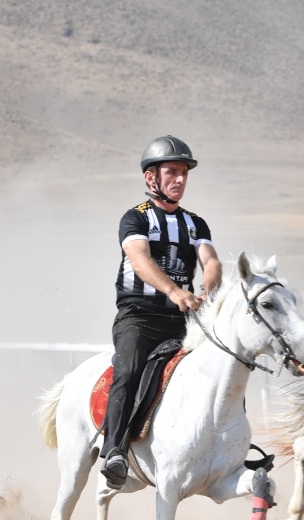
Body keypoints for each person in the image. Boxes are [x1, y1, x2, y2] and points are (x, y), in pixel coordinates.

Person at [101, 136, 222, 487]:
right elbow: (139, 259)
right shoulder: (135, 218)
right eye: (172, 172)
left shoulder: (195, 223)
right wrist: (173, 290)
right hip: (139, 315)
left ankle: (231, 444)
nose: (180, 180)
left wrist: (206, 292)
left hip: (183, 320)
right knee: (128, 369)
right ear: (151, 178)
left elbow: (211, 261)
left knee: (226, 363)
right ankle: (115, 451)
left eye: (184, 173)